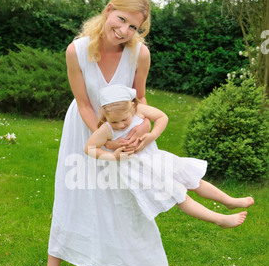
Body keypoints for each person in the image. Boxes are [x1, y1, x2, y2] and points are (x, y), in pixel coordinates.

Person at [26, 0, 169, 266]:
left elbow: (141, 100)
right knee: (70, 195)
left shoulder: (139, 55)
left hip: (128, 133)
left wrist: (140, 129)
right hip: (85, 131)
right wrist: (104, 139)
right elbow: (84, 102)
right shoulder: (76, 51)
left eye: (134, 27)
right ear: (108, 10)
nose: (124, 31)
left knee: (129, 202)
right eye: (121, 20)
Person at [85, 83, 253, 243]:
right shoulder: (107, 129)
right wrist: (113, 156)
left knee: (193, 180)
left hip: (157, 158)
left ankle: (229, 201)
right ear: (105, 116)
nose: (120, 125)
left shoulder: (138, 111)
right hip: (140, 171)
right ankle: (219, 219)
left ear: (131, 106)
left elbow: (161, 117)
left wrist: (152, 135)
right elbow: (90, 148)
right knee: (179, 195)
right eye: (114, 122)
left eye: (124, 120)